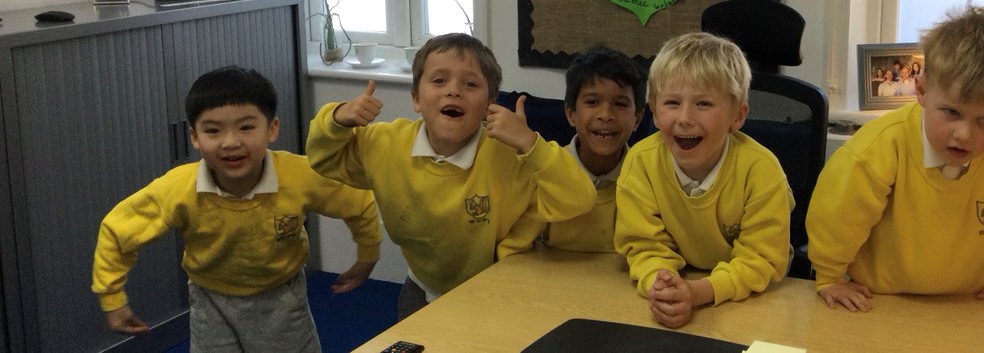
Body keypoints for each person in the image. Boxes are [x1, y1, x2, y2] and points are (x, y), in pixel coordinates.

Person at [306, 32, 595, 321]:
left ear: (489, 104)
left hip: (495, 296)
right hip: (421, 288)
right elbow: (324, 159)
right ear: (417, 99)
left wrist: (531, 143)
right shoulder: (385, 143)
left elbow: (579, 198)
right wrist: (336, 119)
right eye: (439, 81)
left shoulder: (511, 154)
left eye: (470, 84)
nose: (453, 91)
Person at [92, 66, 382, 351]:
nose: (231, 143)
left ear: (271, 129)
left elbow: (356, 201)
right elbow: (118, 231)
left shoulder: (298, 175)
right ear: (194, 137)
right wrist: (112, 297)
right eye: (213, 130)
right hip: (210, 300)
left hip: (280, 297)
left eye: (246, 127)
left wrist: (367, 255)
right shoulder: (179, 188)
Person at [806, 5, 984, 318]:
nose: (964, 134)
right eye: (952, 112)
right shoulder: (881, 146)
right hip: (878, 300)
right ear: (921, 90)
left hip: (965, 305)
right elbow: (838, 216)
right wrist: (829, 277)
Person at [614, 32, 793, 329]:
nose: (684, 118)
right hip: (678, 289)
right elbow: (643, 245)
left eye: (704, 104)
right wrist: (661, 285)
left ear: (737, 115)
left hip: (747, 303)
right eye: (672, 102)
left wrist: (698, 292)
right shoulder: (640, 163)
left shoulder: (761, 170)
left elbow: (761, 260)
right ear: (655, 112)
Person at [498, 46, 647, 255]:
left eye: (620, 104)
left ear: (638, 118)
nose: (606, 115)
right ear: (571, 114)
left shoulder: (647, 178)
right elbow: (515, 249)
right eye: (592, 102)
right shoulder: (543, 170)